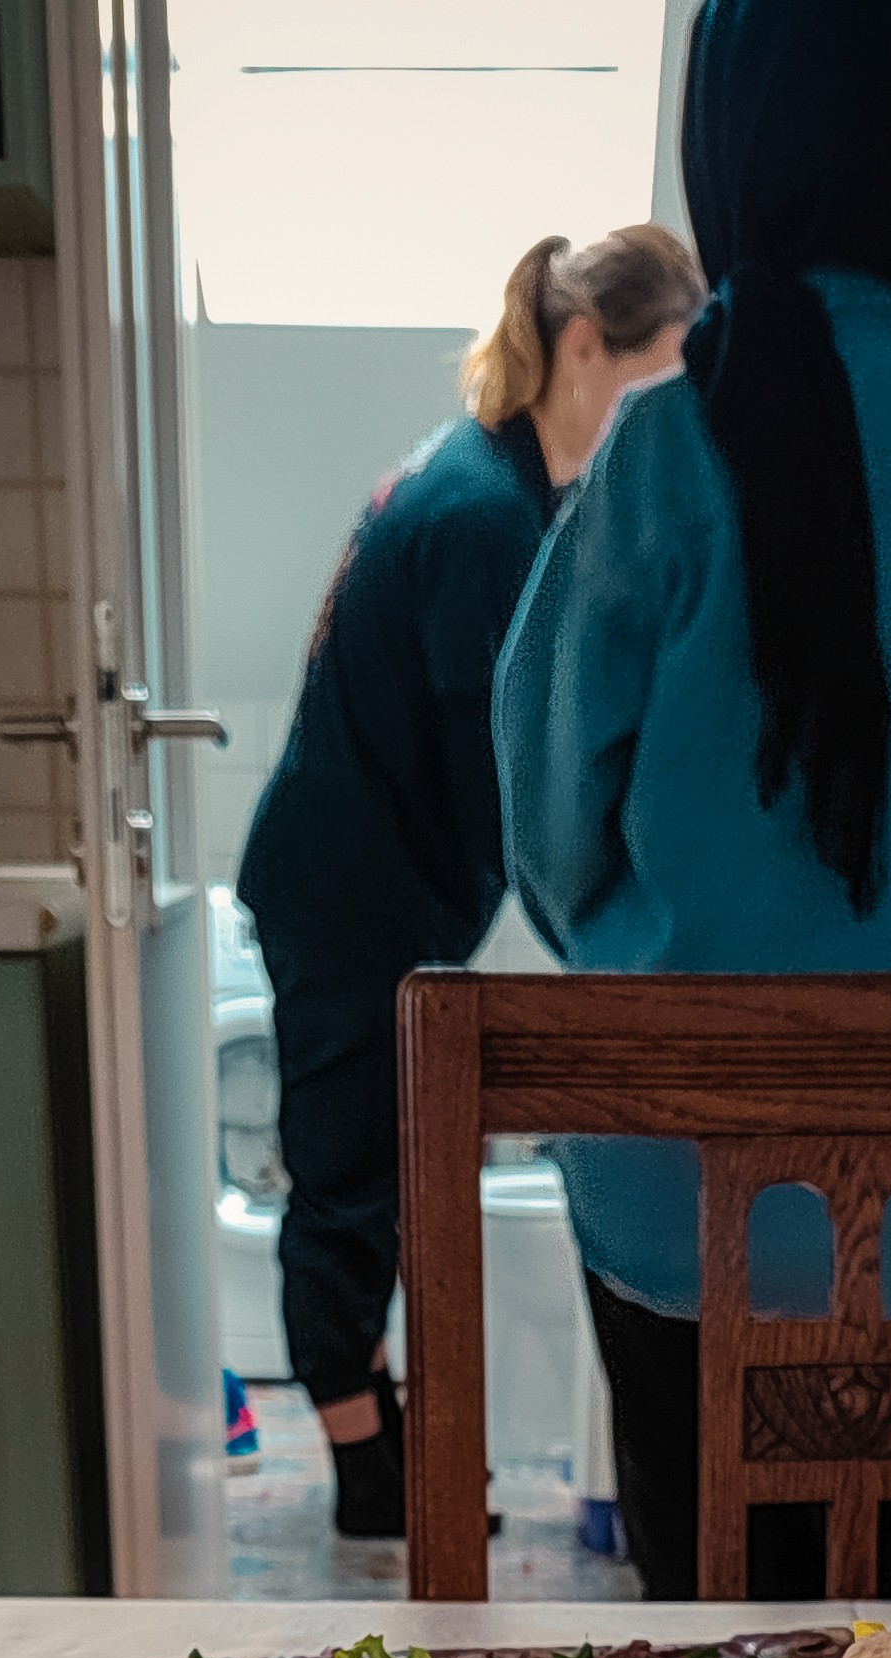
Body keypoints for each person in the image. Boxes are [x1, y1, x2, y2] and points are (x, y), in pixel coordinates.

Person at [494, 0, 891, 1601]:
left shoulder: (679, 429)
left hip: (680, 1183)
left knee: (708, 1639)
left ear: (733, 145)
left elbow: (548, 812)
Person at [235, 224, 707, 1538]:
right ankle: (365, 1475)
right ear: (584, 347)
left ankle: (378, 1435)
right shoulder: (485, 520)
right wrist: (611, 937)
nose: (675, 411)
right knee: (346, 1183)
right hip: (345, 895)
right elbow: (512, 778)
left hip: (363, 883)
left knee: (370, 1171)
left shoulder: (486, 480)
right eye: (665, 374)